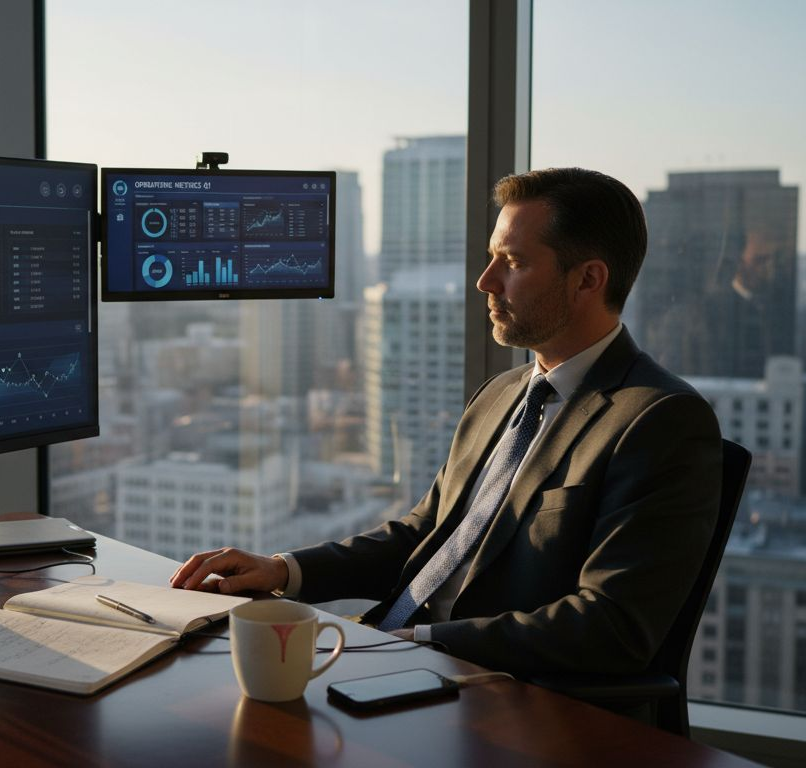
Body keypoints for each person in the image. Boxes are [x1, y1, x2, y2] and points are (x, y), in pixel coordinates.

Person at [171, 167, 722, 677]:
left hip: (503, 700)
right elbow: (426, 534)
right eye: (491, 258)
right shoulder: (502, 393)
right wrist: (284, 571)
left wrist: (421, 642)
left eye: (514, 262)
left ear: (588, 279)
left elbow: (611, 627)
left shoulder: (659, 420)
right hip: (400, 661)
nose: (485, 281)